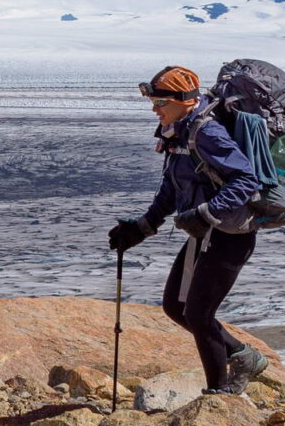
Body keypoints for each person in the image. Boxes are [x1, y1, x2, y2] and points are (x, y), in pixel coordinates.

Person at [108, 65, 272, 396]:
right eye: (153, 103)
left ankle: (219, 393)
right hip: (205, 231)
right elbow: (172, 186)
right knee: (175, 307)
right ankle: (243, 357)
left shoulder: (207, 132)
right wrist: (142, 227)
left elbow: (246, 179)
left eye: (161, 103)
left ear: (183, 100)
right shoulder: (177, 131)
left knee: (198, 313)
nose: (155, 110)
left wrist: (207, 212)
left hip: (229, 234)